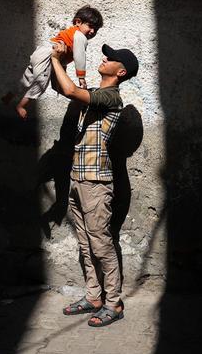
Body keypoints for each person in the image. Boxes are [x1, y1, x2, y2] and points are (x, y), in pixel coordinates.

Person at [51, 42, 138, 327]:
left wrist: (54, 59)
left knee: (101, 244)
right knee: (86, 245)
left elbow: (70, 91)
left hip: (96, 183)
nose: (104, 58)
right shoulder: (95, 95)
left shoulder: (111, 97)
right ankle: (93, 296)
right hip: (78, 177)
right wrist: (59, 62)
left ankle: (114, 302)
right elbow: (62, 88)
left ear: (121, 71)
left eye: (110, 59)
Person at [14, 5, 103, 120]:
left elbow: (64, 57)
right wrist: (81, 77)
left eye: (96, 29)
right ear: (78, 22)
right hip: (48, 55)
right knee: (41, 83)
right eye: (90, 26)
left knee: (27, 79)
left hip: (43, 52)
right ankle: (21, 106)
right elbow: (79, 56)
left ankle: (7, 97)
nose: (92, 31)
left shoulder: (72, 33)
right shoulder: (80, 36)